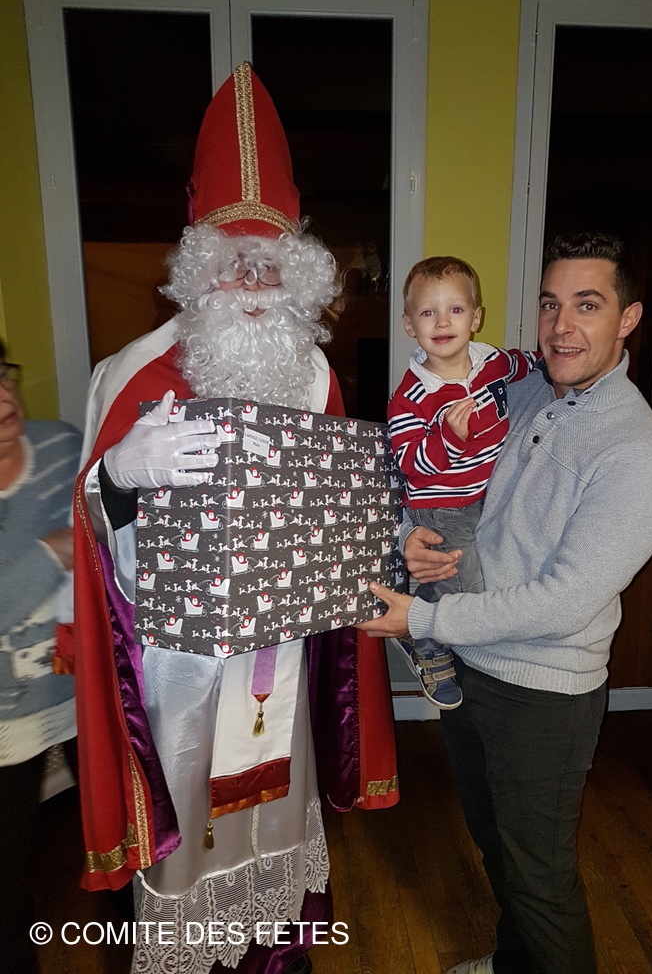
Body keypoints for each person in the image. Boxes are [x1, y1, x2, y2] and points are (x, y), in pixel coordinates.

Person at [64, 63, 398, 974]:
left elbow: (341, 520)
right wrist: (120, 477)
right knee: (192, 832)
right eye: (233, 262)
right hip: (178, 671)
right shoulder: (129, 373)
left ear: (297, 276)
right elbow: (90, 533)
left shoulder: (316, 376)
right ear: (200, 270)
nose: (252, 280)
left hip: (281, 658)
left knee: (277, 815)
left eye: (270, 263)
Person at [361, 233, 652, 974]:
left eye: (587, 305)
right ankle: (515, 965)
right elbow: (435, 485)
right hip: (471, 665)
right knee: (494, 844)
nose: (561, 326)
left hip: (543, 693)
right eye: (549, 304)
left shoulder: (640, 454)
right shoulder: (522, 388)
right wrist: (411, 537)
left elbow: (565, 601)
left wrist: (425, 620)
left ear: (629, 318)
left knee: (540, 879)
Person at [387, 256, 537, 708]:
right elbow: (411, 465)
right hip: (440, 504)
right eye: (427, 312)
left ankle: (428, 621)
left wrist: (545, 363)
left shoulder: (490, 361)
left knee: (480, 575)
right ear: (410, 325)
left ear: (475, 318)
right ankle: (425, 646)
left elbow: (520, 364)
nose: (442, 321)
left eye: (455, 309)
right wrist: (449, 438)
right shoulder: (411, 396)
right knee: (463, 585)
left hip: (483, 494)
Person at [0, 340, 81, 973]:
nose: (4, 396)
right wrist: (52, 553)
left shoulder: (60, 445)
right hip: (4, 727)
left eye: (2, 374)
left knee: (126, 846)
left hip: (86, 696)